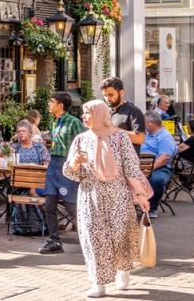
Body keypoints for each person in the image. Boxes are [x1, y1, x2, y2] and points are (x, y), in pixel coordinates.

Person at [64, 100, 148, 298]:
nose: (84, 117)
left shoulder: (120, 137)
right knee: (93, 239)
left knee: (120, 236)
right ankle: (98, 283)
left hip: (118, 194)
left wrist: (141, 194)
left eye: (87, 113)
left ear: (100, 114)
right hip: (89, 195)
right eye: (83, 113)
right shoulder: (80, 139)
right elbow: (68, 171)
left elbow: (131, 168)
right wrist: (75, 163)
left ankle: (123, 270)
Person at [39, 91, 84, 255]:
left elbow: (84, 142)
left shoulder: (74, 122)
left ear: (60, 105)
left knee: (72, 206)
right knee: (49, 205)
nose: (49, 105)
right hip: (53, 166)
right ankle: (54, 240)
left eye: (51, 102)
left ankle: (89, 239)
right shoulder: (55, 121)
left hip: (67, 166)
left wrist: (76, 164)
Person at [11, 119, 49, 235]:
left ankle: (41, 223)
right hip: (19, 183)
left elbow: (47, 163)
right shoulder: (14, 147)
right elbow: (9, 163)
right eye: (19, 131)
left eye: (24, 131)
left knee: (34, 191)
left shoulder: (39, 147)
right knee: (30, 191)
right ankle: (34, 224)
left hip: (38, 181)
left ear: (30, 133)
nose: (21, 133)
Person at [141, 111, 178, 218]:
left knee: (156, 179)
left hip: (160, 168)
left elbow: (164, 158)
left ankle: (152, 208)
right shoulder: (147, 134)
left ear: (150, 123)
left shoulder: (164, 137)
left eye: (144, 123)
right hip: (142, 165)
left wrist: (148, 169)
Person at [100, 77, 146, 153]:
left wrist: (113, 130)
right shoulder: (106, 111)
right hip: (109, 159)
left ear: (121, 93)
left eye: (111, 95)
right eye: (105, 95)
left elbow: (140, 138)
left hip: (127, 161)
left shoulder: (134, 111)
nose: (107, 98)